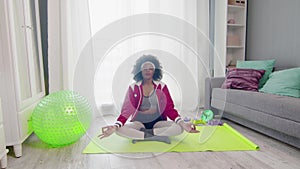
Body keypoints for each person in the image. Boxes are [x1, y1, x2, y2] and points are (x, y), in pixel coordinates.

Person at [98, 55, 199, 144]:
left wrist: (183, 124)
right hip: (139, 123)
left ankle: (143, 136)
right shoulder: (133, 88)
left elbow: (169, 109)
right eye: (144, 68)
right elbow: (126, 111)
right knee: (119, 130)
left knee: (180, 128)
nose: (147, 70)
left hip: (158, 123)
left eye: (151, 68)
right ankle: (157, 137)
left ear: (155, 71)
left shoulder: (162, 87)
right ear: (140, 71)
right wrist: (115, 126)